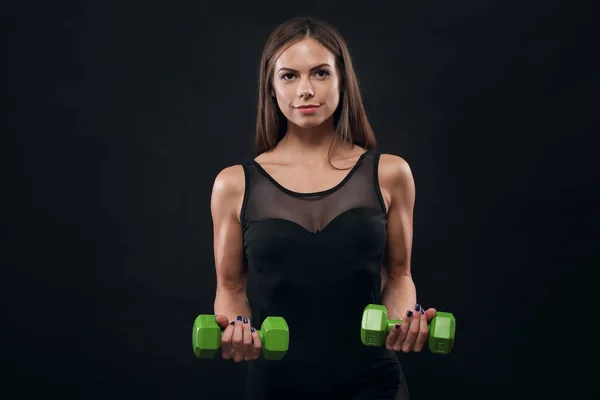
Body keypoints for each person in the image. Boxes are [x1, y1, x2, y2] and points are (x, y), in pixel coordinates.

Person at [209, 16, 438, 399]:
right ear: (270, 88)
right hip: (276, 387)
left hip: (374, 383)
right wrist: (238, 326)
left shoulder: (390, 173)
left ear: (342, 80)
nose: (305, 90)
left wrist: (403, 321)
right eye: (288, 76)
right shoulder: (233, 184)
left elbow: (399, 276)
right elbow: (230, 286)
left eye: (319, 73)